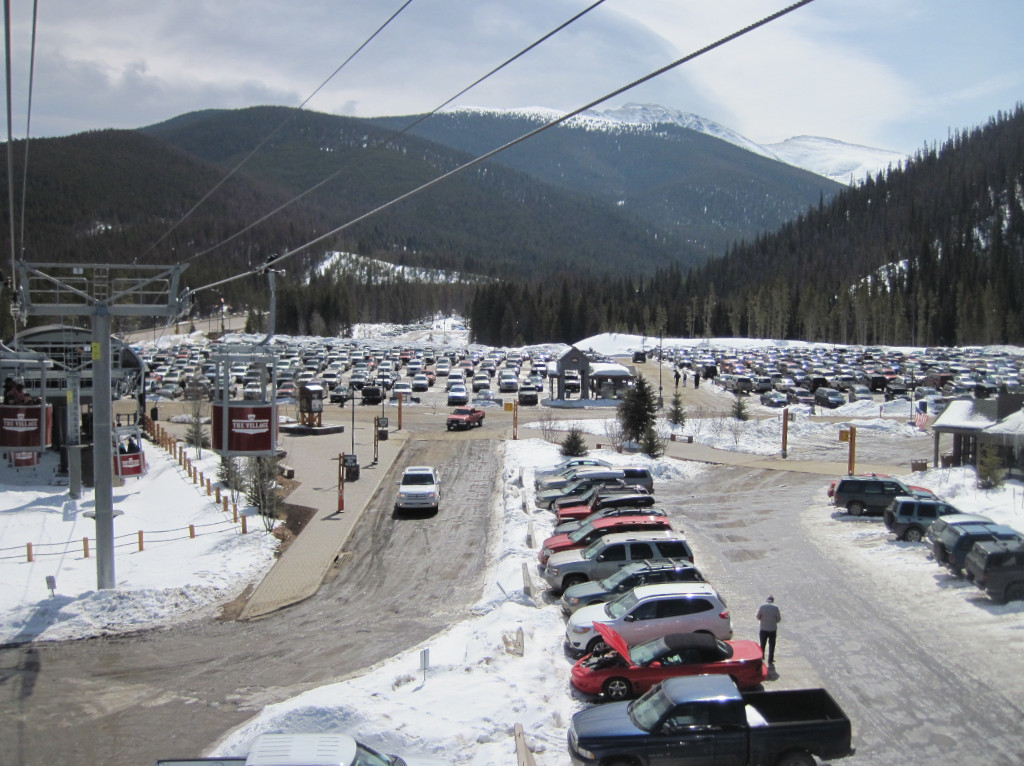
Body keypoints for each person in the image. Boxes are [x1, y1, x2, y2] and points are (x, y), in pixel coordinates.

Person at [757, 595, 781, 665]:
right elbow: (779, 619)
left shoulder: (762, 607)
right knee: (772, 644)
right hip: (772, 629)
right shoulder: (776, 608)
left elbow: (758, 617)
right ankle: (770, 659)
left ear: (767, 600)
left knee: (762, 644)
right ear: (773, 600)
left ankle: (761, 657)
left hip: (763, 628)